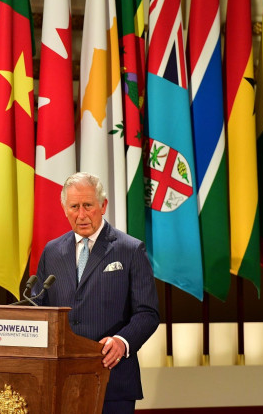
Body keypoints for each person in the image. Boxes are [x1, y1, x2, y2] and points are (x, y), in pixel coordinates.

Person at [34, 172, 160, 414]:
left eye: (88, 206)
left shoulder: (130, 250)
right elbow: (39, 307)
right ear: (64, 209)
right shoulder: (52, 252)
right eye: (74, 207)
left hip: (112, 379)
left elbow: (148, 313)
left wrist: (122, 342)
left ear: (103, 206)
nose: (81, 215)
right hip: (60, 381)